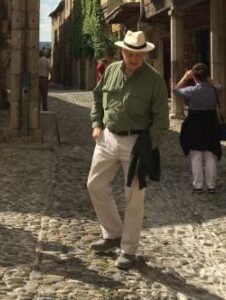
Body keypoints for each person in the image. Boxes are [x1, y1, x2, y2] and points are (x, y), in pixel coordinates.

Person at [87, 30, 169, 270]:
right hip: (108, 137)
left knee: (134, 197)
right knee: (95, 185)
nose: (134, 58)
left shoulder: (154, 80)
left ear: (144, 54)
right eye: (130, 53)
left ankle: (128, 249)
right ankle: (112, 233)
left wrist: (147, 147)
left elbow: (162, 120)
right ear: (122, 51)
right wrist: (96, 123)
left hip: (136, 142)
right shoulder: (111, 70)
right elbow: (96, 96)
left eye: (138, 54)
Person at [174, 63, 223, 194]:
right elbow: (220, 87)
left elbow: (175, 90)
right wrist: (209, 79)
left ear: (194, 77)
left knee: (196, 156)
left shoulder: (192, 91)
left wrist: (185, 78)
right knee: (210, 156)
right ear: (207, 76)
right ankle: (211, 185)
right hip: (211, 124)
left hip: (195, 125)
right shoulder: (214, 90)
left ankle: (198, 185)